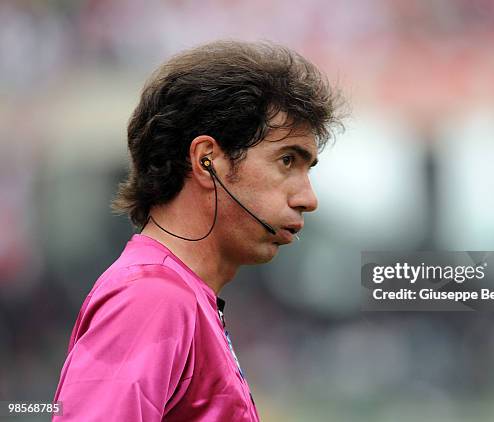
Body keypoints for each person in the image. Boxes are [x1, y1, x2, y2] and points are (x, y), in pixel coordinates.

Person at [52, 40, 344, 421]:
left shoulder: (179, 296)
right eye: (287, 160)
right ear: (207, 161)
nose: (308, 198)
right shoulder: (152, 298)